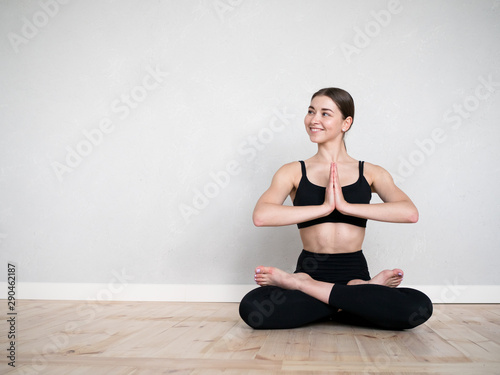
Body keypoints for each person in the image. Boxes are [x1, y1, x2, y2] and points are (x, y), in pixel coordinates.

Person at [239, 88, 433, 330]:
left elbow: (409, 212)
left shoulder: (371, 172)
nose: (314, 119)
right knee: (253, 308)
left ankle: (302, 286)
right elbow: (261, 216)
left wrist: (346, 206)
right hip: (311, 269)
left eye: (325, 113)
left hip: (352, 272)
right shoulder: (292, 171)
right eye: (311, 111)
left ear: (346, 123)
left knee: (419, 305)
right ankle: (357, 296)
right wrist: (324, 208)